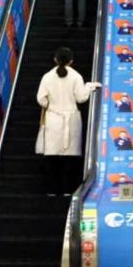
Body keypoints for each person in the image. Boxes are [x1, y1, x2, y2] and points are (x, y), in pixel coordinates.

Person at [35, 47, 101, 194]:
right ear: (71, 61)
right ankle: (68, 190)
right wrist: (88, 87)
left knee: (51, 155)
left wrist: (51, 105)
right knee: (70, 157)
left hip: (53, 118)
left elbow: (40, 98)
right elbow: (81, 98)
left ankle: (51, 190)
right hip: (72, 119)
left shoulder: (47, 77)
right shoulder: (76, 76)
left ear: (55, 59)